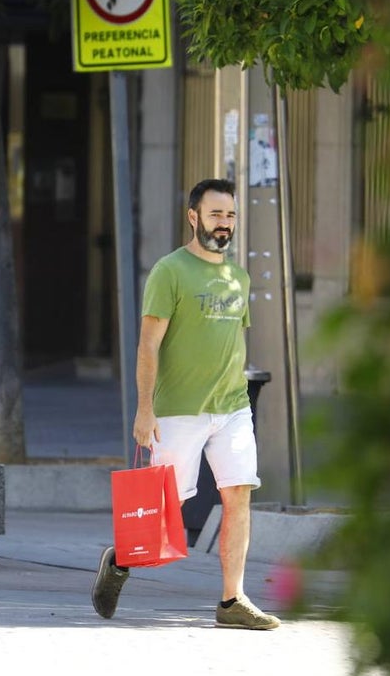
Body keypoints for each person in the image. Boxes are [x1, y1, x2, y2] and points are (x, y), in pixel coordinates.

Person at [92, 178, 281, 631]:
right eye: (216, 214)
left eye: (231, 215)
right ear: (193, 217)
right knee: (164, 510)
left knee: (238, 495)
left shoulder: (239, 276)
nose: (225, 224)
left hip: (233, 407)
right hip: (177, 410)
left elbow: (232, 338)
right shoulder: (169, 271)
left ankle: (232, 600)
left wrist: (237, 392)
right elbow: (148, 345)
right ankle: (118, 561)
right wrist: (144, 410)